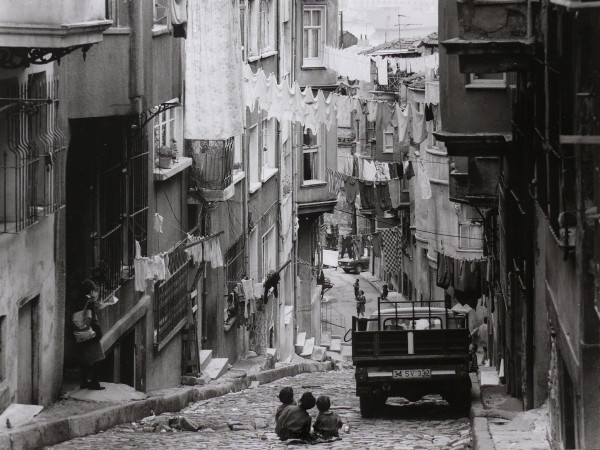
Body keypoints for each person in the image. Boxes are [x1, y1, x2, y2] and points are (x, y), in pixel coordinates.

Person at [75, 279, 106, 390]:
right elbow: (91, 317)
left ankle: (84, 381)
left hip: (80, 332)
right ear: (90, 291)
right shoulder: (89, 302)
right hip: (91, 333)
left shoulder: (77, 300)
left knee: (84, 358)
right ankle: (94, 382)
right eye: (93, 290)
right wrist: (95, 303)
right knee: (98, 357)